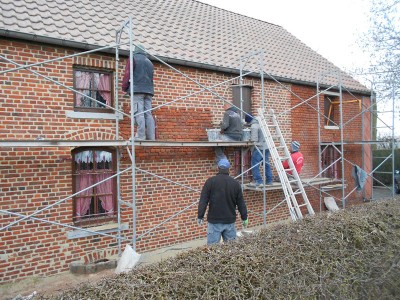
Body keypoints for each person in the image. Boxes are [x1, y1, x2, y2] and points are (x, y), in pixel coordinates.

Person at [197, 158, 248, 245]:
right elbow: (241, 203)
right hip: (229, 222)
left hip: (214, 222)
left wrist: (200, 216)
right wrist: (244, 217)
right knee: (230, 249)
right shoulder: (235, 184)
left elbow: (203, 200)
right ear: (229, 169)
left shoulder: (210, 182)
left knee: (213, 250)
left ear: (218, 168)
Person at [122, 44, 155, 140]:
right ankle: (151, 136)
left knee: (138, 112)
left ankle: (140, 136)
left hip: (137, 90)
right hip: (149, 91)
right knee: (148, 114)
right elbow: (151, 78)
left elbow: (127, 74)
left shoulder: (133, 58)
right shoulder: (149, 62)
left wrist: (124, 87)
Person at [246, 114, 273, 187]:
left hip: (259, 147)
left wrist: (249, 139)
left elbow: (254, 140)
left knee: (255, 164)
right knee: (266, 164)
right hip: (267, 147)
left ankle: (258, 181)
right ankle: (269, 180)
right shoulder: (262, 123)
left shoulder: (254, 126)